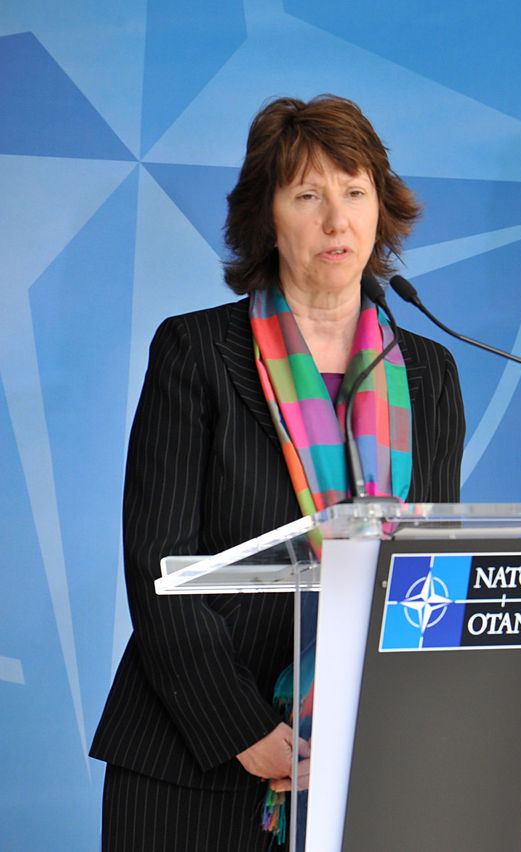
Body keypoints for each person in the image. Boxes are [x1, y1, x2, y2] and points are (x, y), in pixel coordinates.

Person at [90, 95, 465, 850]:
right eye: (309, 196)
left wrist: (396, 730)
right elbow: (156, 566)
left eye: (356, 193)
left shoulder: (428, 372)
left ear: (380, 210)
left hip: (361, 761)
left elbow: (431, 573)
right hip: (195, 761)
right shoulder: (195, 353)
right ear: (267, 219)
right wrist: (245, 729)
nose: (338, 221)